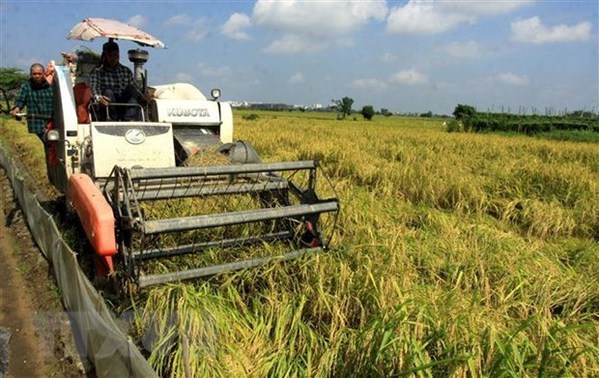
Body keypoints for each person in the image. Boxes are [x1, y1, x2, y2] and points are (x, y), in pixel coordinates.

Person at [89, 40, 140, 121]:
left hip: (124, 105)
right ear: (105, 56)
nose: (113, 58)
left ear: (119, 55)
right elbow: (94, 88)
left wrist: (145, 96)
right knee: (108, 92)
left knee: (131, 88)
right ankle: (112, 119)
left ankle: (130, 120)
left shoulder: (126, 71)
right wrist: (99, 98)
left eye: (115, 55)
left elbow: (135, 89)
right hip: (107, 106)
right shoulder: (97, 71)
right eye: (110, 55)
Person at [10, 63, 54, 141]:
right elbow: (21, 100)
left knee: (53, 144)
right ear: (31, 74)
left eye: (39, 74)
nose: (37, 76)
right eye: (34, 74)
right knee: (46, 142)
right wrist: (16, 108)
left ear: (44, 74)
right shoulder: (26, 87)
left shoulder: (51, 87)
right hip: (36, 122)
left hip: (51, 121)